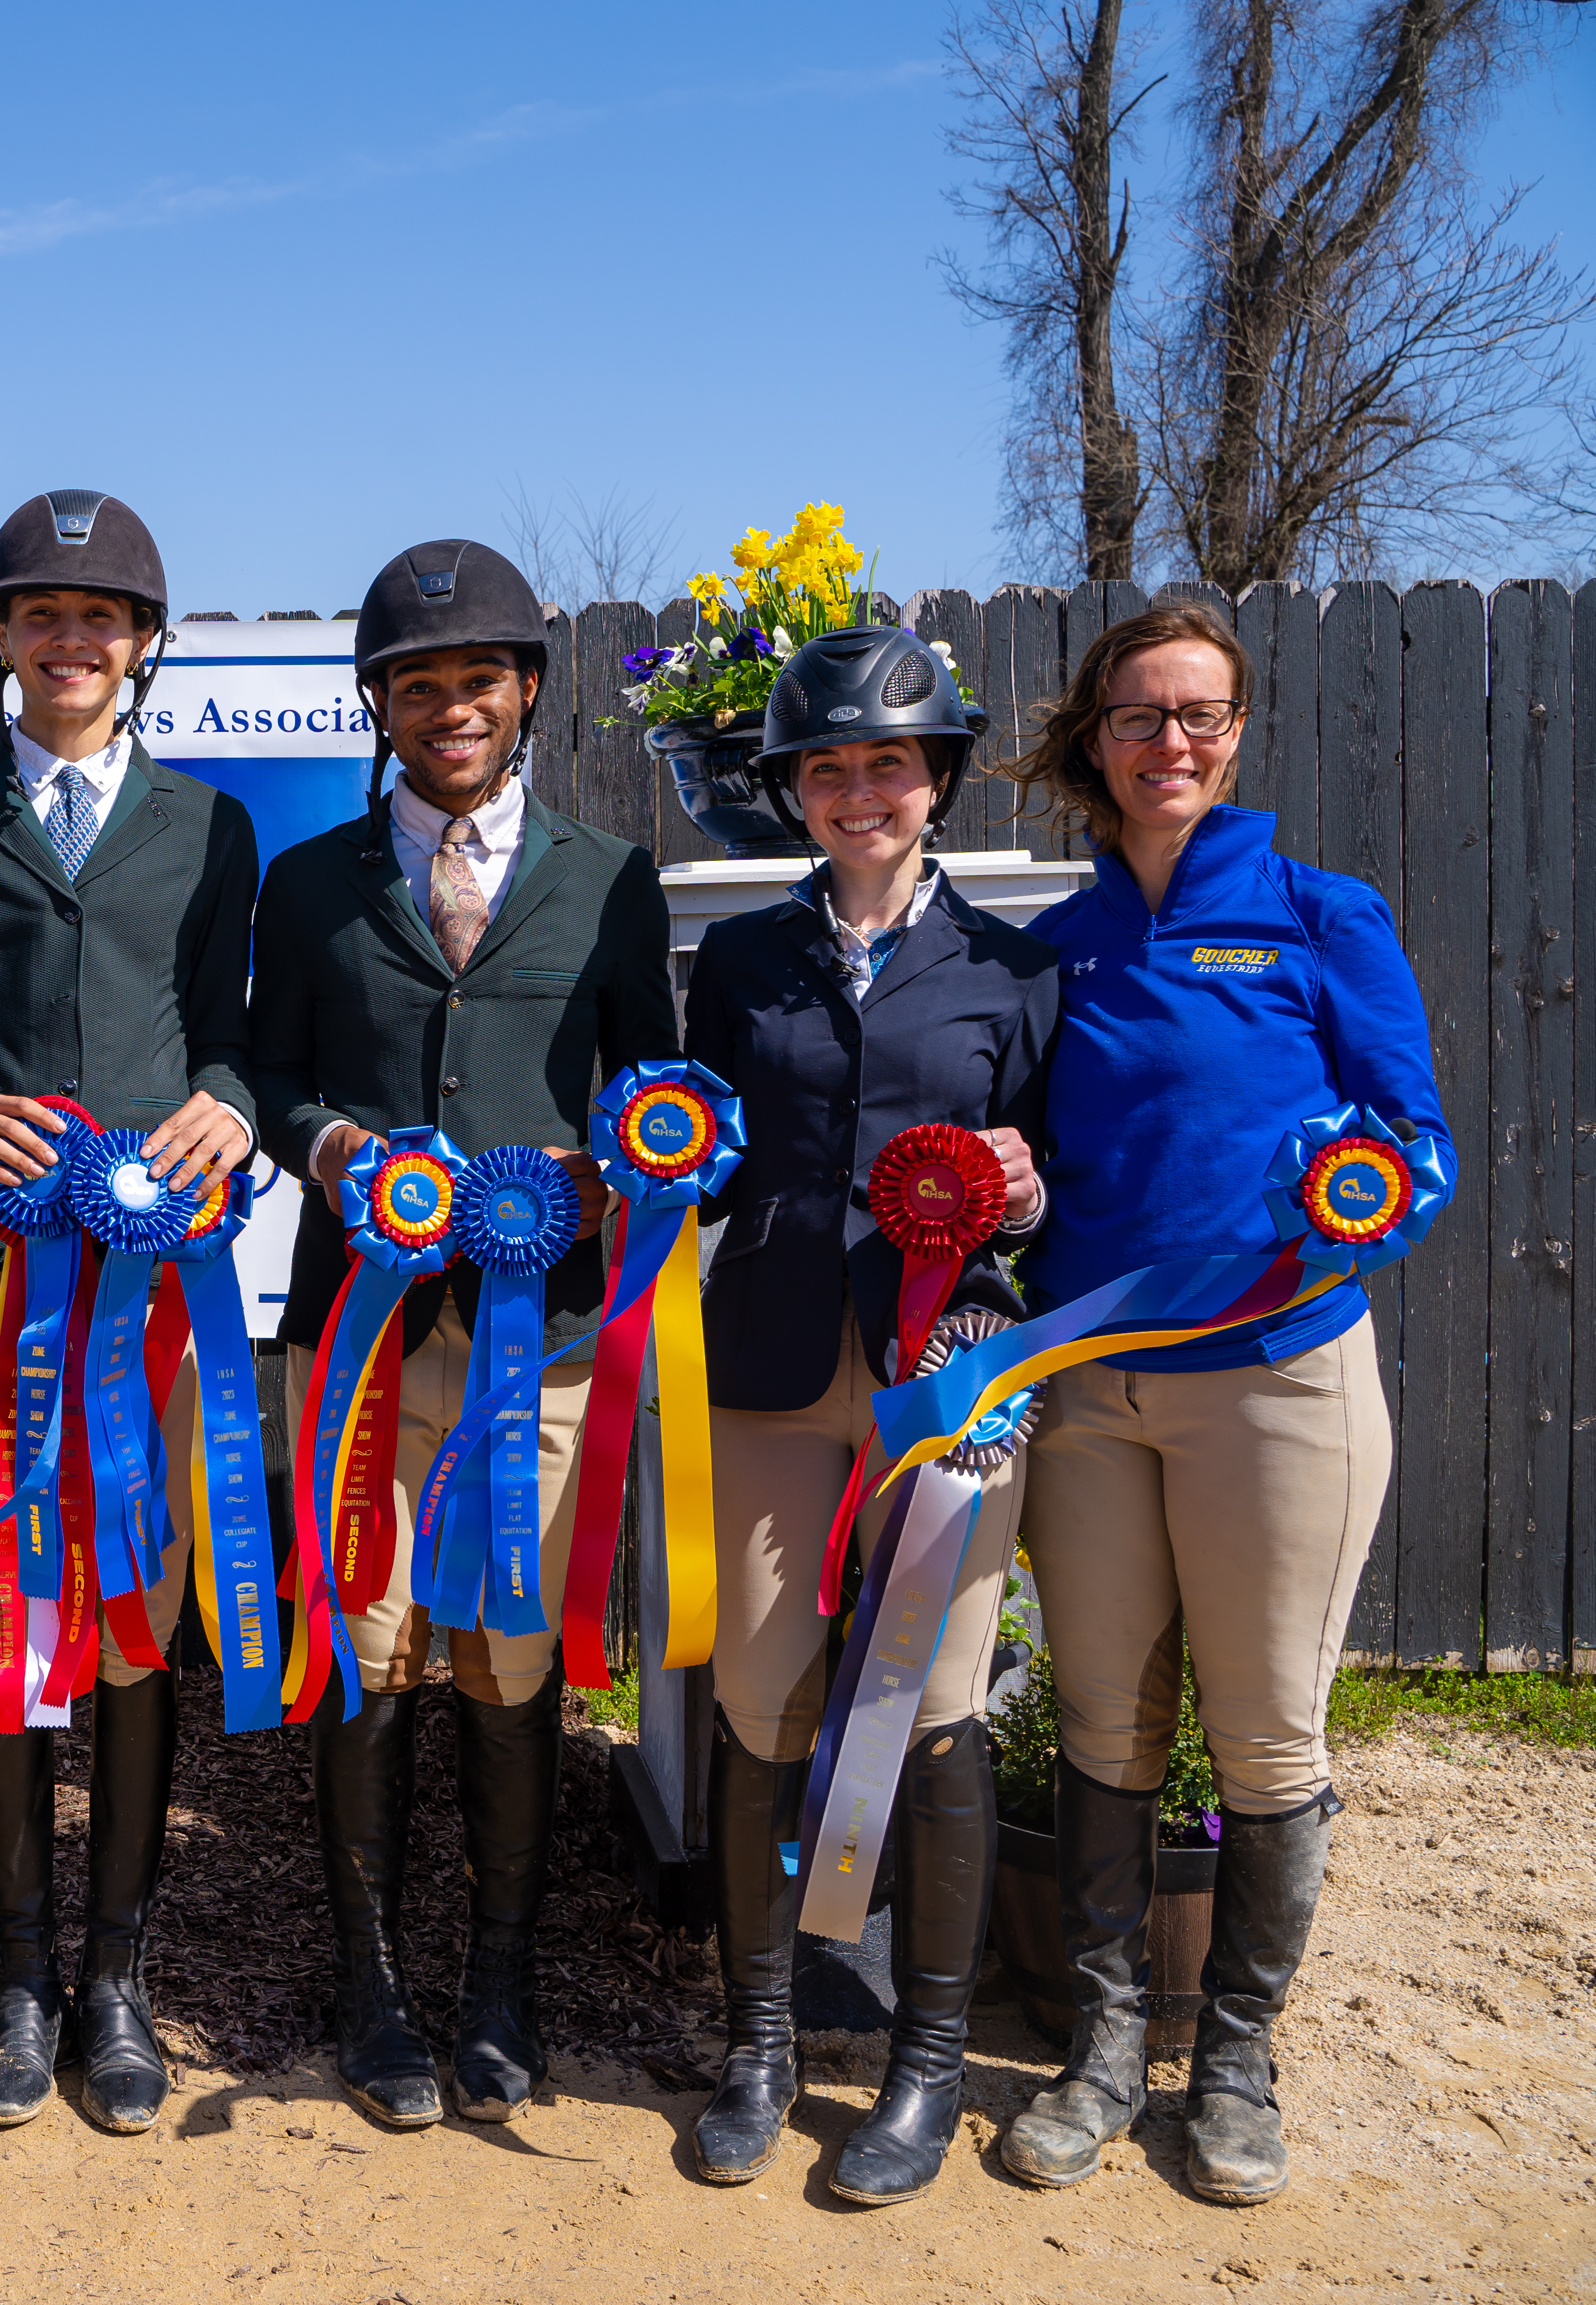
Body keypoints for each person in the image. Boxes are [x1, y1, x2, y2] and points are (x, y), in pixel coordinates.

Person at [992, 602, 1450, 2208]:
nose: (1169, 742)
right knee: (1106, 1724)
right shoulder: (1058, 949)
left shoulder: (1328, 918)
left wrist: (1350, 1216)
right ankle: (1107, 2051)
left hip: (1281, 1387)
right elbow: (1029, 1166)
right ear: (1097, 738)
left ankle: (1237, 2062)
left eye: (1199, 715)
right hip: (1097, 1398)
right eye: (1140, 716)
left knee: (1267, 1740)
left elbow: (1418, 1145)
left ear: (1239, 732)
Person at [245, 539, 676, 2130]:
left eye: (476, 680)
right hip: (363, 1337)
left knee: (511, 1651)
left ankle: (500, 1978)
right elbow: (267, 1078)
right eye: (417, 683)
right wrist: (341, 1154)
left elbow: (658, 1092)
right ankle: (371, 1983)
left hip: (545, 1340)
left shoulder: (610, 880)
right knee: (362, 1651)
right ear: (380, 702)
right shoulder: (311, 886)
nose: (449, 707)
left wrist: (597, 1166)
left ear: (526, 694)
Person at [0, 489, 256, 2136]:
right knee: (12, 1606)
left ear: (143, 645)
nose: (71, 642)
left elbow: (246, 1036)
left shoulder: (214, 828)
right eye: (41, 616)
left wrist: (232, 1103)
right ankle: (19, 1976)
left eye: (100, 620)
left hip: (163, 1287)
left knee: (141, 1611)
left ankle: (120, 1974)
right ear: (2, 639)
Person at [679, 626, 1054, 2201]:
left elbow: (1055, 1170)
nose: (859, 792)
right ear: (792, 793)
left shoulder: (1016, 970)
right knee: (763, 1696)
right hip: (767, 1363)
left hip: (947, 1376)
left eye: (888, 765)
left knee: (937, 1700)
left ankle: (927, 2060)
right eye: (827, 769)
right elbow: (694, 1141)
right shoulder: (744, 966)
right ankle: (759, 2038)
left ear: (938, 779)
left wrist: (1024, 1191)